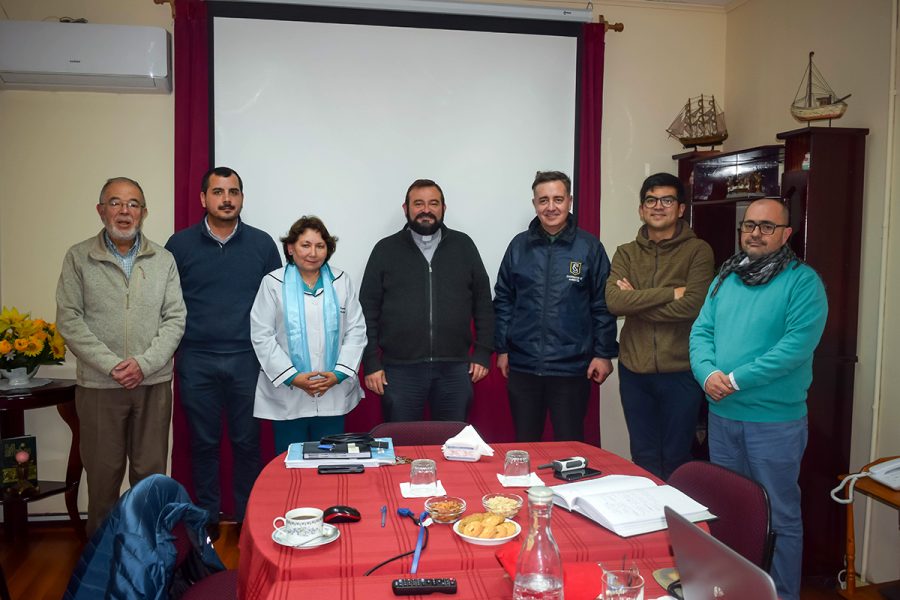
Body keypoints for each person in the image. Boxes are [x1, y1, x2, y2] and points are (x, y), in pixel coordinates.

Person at [689, 198, 828, 600]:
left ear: (786, 234)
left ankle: (782, 594)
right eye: (749, 225)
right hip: (723, 416)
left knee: (778, 515)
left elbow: (795, 347)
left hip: (775, 424)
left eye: (767, 226)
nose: (755, 233)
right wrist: (707, 374)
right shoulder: (726, 277)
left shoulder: (803, 282)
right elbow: (701, 333)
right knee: (730, 510)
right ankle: (734, 591)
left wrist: (733, 378)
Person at [56, 177, 186, 535]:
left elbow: (175, 319)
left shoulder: (164, 260)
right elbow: (69, 319)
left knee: (150, 478)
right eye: (115, 202)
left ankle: (148, 558)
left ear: (144, 212)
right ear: (101, 210)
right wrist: (113, 365)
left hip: (153, 385)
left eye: (133, 204)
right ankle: (101, 563)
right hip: (99, 387)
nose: (124, 211)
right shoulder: (78, 257)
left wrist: (143, 365)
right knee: (102, 480)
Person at [165, 167, 282, 537]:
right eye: (218, 192)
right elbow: (167, 304)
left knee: (247, 442)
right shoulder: (179, 246)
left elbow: (276, 304)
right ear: (203, 199)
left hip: (248, 359)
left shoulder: (263, 245)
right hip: (196, 359)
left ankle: (248, 517)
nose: (226, 199)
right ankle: (206, 518)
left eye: (233, 192)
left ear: (242, 198)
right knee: (203, 443)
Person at [494, 171, 618, 442]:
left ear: (570, 201)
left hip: (572, 369)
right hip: (523, 367)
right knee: (525, 445)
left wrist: (603, 353)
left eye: (558, 199)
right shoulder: (518, 247)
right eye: (544, 200)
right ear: (534, 203)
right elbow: (503, 299)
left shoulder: (589, 247)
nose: (551, 207)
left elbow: (603, 304)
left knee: (570, 448)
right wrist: (502, 348)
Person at [605, 173, 714, 480]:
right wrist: (669, 293)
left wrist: (637, 302)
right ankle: (646, 524)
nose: (658, 207)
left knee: (678, 457)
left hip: (681, 372)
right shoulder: (626, 252)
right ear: (641, 209)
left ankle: (676, 525)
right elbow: (614, 302)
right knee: (643, 456)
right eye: (651, 200)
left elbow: (693, 305)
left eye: (667, 200)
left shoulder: (698, 251)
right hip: (634, 371)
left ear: (680, 209)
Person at [359, 179, 494, 422]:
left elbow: (483, 303)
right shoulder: (385, 249)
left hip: (454, 369)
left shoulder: (463, 246)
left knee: (454, 446)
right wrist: (370, 362)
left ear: (444, 208)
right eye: (418, 203)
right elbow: (367, 311)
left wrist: (483, 352)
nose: (426, 210)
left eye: (433, 203)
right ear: (406, 208)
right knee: (402, 449)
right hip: (400, 371)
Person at [250, 216, 366, 454]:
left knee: (330, 464)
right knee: (290, 465)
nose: (313, 252)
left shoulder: (341, 281)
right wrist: (293, 377)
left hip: (333, 392)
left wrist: (338, 374)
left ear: (328, 249)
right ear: (291, 248)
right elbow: (262, 335)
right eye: (305, 245)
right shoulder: (272, 283)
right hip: (288, 394)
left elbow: (356, 330)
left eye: (320, 246)